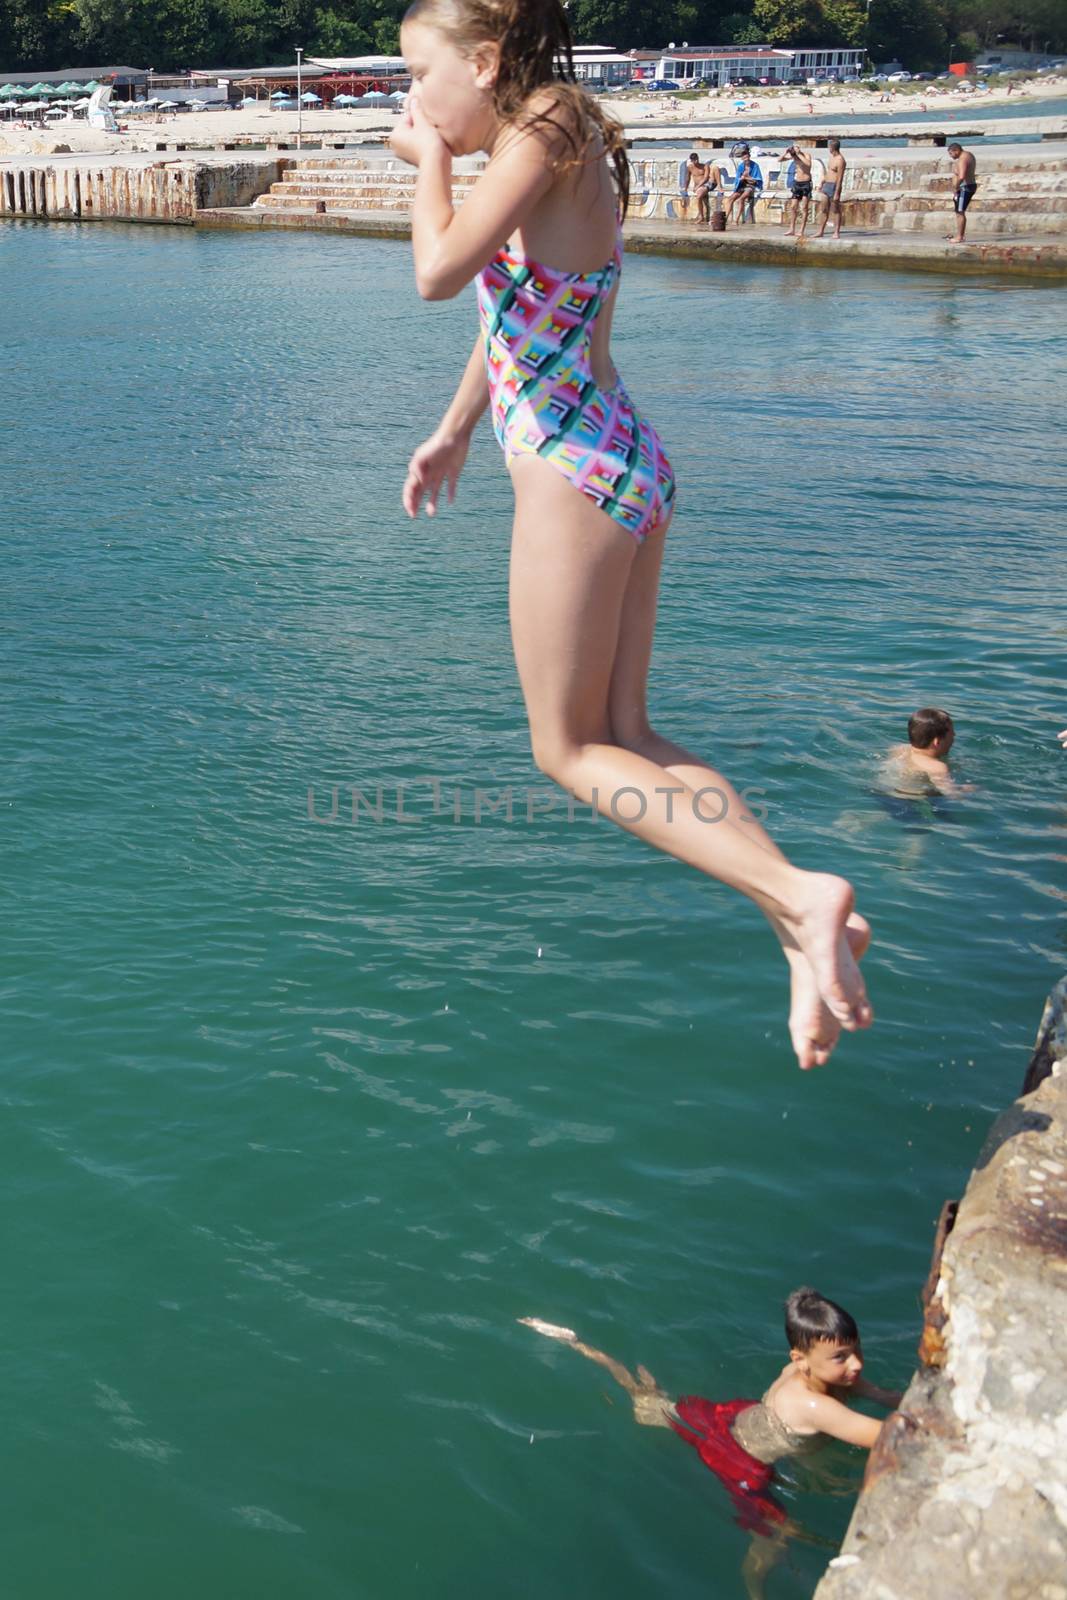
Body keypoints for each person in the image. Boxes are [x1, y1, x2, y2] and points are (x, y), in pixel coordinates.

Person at [390, 0, 873, 1071]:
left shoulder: (544, 126)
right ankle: (796, 921)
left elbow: (435, 272)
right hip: (615, 458)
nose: (411, 98)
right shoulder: (552, 136)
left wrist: (423, 161)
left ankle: (798, 895)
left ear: (482, 61)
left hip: (575, 470)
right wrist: (451, 431)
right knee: (631, 735)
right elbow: (522, 315)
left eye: (420, 75)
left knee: (565, 749)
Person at [521, 1289, 902, 1592]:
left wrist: (889, 1396)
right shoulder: (815, 1406)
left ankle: (582, 1346)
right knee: (773, 1537)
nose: (856, 1364)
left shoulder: (813, 1371)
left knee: (652, 1403)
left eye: (856, 1351)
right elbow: (889, 1438)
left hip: (734, 1416)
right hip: (740, 1460)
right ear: (801, 1360)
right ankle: (754, 1586)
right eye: (841, 1357)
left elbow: (882, 1395)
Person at [886, 707, 962, 796]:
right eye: (952, 734)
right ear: (937, 742)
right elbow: (951, 793)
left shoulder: (898, 749)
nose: (954, 736)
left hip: (884, 792)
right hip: (908, 800)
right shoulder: (938, 767)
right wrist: (968, 789)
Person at [814, 138, 846, 239]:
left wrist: (837, 192)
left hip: (834, 186)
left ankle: (836, 232)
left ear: (832, 147)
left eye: (829, 147)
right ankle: (820, 231)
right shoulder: (831, 157)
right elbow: (829, 172)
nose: (829, 149)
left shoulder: (840, 160)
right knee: (823, 209)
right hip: (826, 185)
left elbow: (840, 178)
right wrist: (822, 183)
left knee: (835, 209)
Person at [946, 142, 977, 243]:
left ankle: (960, 237)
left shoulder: (963, 159)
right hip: (966, 187)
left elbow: (962, 176)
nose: (951, 156)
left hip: (965, 188)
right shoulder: (968, 155)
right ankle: (960, 235)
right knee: (958, 212)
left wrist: (956, 186)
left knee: (960, 212)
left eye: (951, 153)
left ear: (956, 150)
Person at [725, 146, 763, 225]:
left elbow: (756, 180)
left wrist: (747, 177)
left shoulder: (755, 166)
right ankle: (726, 218)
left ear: (749, 157)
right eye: (744, 158)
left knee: (741, 199)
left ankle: (736, 220)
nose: (746, 160)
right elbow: (737, 179)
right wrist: (741, 179)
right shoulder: (741, 166)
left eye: (747, 157)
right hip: (742, 185)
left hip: (750, 186)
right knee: (730, 199)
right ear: (742, 158)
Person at [783, 144, 813, 237]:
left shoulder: (806, 155)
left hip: (806, 183)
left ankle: (801, 230)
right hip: (797, 183)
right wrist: (786, 153)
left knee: (804, 208)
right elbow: (779, 160)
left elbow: (808, 164)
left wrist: (799, 154)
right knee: (793, 207)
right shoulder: (794, 156)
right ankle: (791, 229)